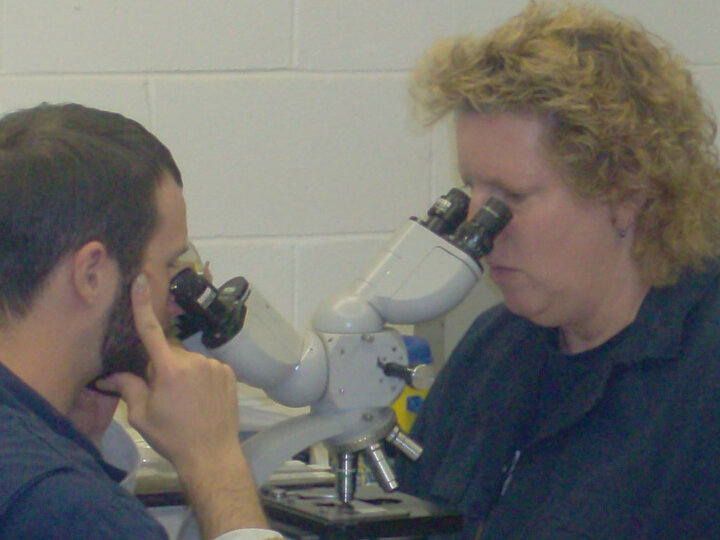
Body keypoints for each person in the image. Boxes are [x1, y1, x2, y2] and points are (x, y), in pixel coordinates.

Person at [395, 2, 720, 538]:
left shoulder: (702, 375)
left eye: (511, 197)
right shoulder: (491, 351)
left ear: (625, 190)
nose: (479, 227)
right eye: (472, 190)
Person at [0, 103, 281, 539]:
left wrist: (80, 441)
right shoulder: (69, 508)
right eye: (170, 267)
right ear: (91, 274)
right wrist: (216, 462)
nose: (177, 303)